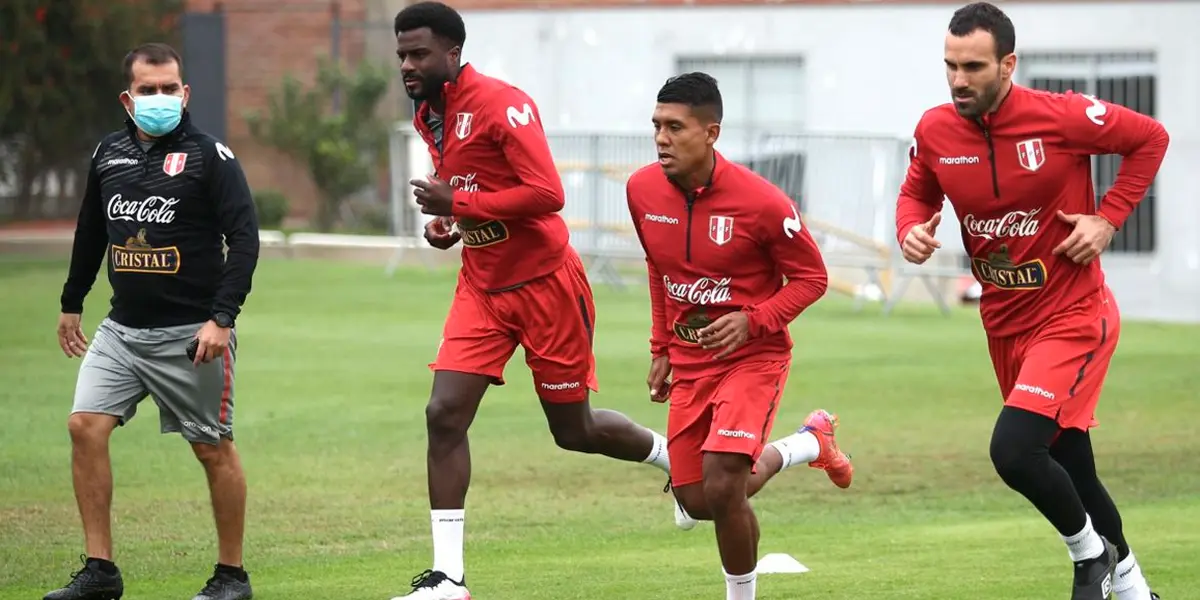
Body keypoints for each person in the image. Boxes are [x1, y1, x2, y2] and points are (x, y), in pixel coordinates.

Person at [391, 3, 674, 598]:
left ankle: (672, 459)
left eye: (418, 54)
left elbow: (547, 193)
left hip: (547, 285)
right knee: (443, 414)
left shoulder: (502, 103)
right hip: (482, 286)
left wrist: (460, 206)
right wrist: (451, 224)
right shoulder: (427, 112)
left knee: (573, 432)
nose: (407, 66)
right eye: (401, 56)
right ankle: (448, 578)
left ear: (452, 53)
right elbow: (469, 189)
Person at [896, 3, 1168, 599]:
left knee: (1014, 450)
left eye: (972, 66)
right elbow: (917, 192)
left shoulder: (1062, 117)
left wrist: (1109, 219)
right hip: (1005, 325)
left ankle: (1089, 557)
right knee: (1074, 468)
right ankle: (1136, 591)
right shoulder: (935, 129)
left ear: (1008, 64)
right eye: (949, 66)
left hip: (1074, 315)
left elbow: (1150, 138)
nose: (958, 80)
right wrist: (911, 228)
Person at [626, 71, 855, 600]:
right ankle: (808, 443)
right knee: (702, 498)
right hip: (689, 361)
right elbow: (658, 269)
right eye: (656, 126)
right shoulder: (640, 189)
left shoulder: (762, 202)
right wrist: (661, 347)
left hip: (755, 359)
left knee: (725, 481)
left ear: (711, 133)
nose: (661, 138)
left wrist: (753, 320)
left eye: (675, 127)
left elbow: (813, 279)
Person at [48, 42, 258, 600]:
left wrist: (221, 318)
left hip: (191, 336)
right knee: (83, 427)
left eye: (170, 88)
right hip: (122, 330)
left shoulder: (212, 156)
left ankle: (231, 576)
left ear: (185, 93)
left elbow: (244, 240)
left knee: (213, 448)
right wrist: (73, 301)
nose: (160, 98)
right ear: (128, 97)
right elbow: (91, 231)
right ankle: (100, 572)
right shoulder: (107, 154)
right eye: (148, 90)